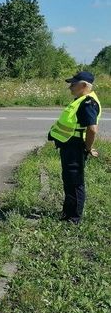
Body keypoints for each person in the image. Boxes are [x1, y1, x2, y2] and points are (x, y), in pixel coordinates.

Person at [48, 71, 101, 224]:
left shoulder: (87, 103)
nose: (70, 87)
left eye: (73, 84)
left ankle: (73, 219)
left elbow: (92, 129)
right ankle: (67, 213)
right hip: (69, 146)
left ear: (84, 85)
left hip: (75, 147)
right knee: (69, 180)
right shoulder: (80, 100)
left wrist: (88, 148)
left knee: (75, 182)